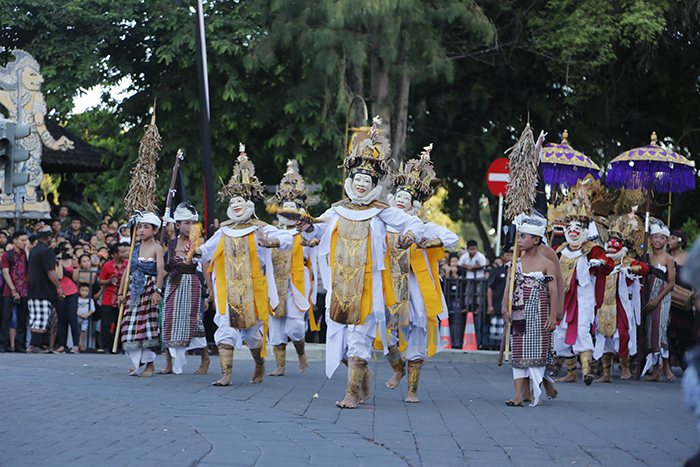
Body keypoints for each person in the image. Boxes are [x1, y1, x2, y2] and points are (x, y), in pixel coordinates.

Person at [297, 118, 424, 409]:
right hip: (340, 287)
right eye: (358, 179)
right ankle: (362, 373)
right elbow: (319, 229)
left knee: (358, 341)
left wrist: (411, 235)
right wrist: (307, 226)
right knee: (340, 346)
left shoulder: (381, 211)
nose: (362, 183)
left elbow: (411, 223)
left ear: (375, 185)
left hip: (369, 287)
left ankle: (352, 394)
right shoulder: (337, 210)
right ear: (350, 182)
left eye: (368, 180)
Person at [195, 145, 293, 387]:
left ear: (249, 204)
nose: (237, 204)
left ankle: (259, 364)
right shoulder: (225, 230)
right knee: (225, 331)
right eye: (234, 201)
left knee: (252, 335)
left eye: (241, 200)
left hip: (252, 289)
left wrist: (268, 241)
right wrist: (195, 252)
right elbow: (207, 249)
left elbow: (288, 239)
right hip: (227, 289)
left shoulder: (260, 227)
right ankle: (226, 374)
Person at [382, 143, 458, 403]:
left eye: (407, 198)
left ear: (414, 204)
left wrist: (430, 242)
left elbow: (453, 237)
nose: (402, 201)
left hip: (415, 288)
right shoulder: (381, 223)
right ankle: (398, 370)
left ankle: (412, 390)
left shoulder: (422, 226)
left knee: (417, 330)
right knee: (384, 332)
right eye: (399, 197)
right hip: (388, 284)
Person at [553, 188, 614, 385]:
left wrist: (600, 263)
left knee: (582, 329)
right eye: (570, 227)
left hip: (583, 295)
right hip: (563, 298)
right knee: (560, 332)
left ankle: (587, 371)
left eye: (578, 227)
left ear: (585, 230)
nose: (573, 230)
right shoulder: (559, 250)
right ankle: (571, 373)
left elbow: (609, 264)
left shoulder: (592, 249)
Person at [266, 164, 319, 377]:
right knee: (276, 325)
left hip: (297, 282)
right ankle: (280, 366)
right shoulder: (271, 231)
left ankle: (301, 353)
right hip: (275, 282)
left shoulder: (306, 233)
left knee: (295, 327)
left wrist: (313, 295)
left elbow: (314, 264)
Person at [502, 215, 557, 407]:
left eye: (524, 236)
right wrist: (504, 310)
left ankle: (536, 393)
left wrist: (552, 315)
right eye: (519, 236)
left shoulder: (547, 263)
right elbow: (508, 289)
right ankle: (518, 395)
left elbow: (553, 291)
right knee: (517, 350)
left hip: (540, 311)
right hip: (518, 310)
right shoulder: (514, 263)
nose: (520, 240)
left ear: (536, 239)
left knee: (537, 350)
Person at [593, 215, 649, 382]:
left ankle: (625, 369)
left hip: (621, 307)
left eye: (615, 246)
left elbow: (645, 269)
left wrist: (633, 270)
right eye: (609, 246)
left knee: (622, 335)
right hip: (603, 306)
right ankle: (607, 374)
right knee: (603, 337)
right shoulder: (602, 262)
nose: (611, 248)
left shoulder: (627, 262)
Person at [157, 202, 210, 375]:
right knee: (167, 321)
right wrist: (156, 287)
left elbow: (206, 267)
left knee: (194, 322)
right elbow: (165, 268)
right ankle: (169, 363)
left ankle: (205, 359)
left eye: (192, 223)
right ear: (178, 225)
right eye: (186, 223)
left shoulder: (199, 243)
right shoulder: (171, 244)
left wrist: (210, 291)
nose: (190, 226)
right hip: (173, 284)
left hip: (192, 284)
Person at [118, 212, 164, 377]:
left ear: (155, 229)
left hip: (149, 291)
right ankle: (137, 362)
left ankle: (150, 365)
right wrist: (120, 292)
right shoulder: (134, 248)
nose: (142, 230)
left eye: (146, 227)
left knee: (148, 328)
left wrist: (157, 292)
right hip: (133, 293)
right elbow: (127, 272)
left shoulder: (157, 248)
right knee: (130, 326)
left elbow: (160, 272)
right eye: (140, 227)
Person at [641, 221, 676, 381]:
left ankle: (666, 367)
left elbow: (671, 283)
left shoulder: (668, 258)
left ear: (666, 240)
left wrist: (657, 299)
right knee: (650, 331)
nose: (658, 240)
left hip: (661, 298)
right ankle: (655, 371)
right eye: (655, 237)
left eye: (662, 238)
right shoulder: (647, 256)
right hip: (649, 295)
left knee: (660, 330)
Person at [27, 229, 64, 353]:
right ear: (48, 238)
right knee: (41, 317)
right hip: (42, 289)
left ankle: (42, 344)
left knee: (37, 315)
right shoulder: (45, 251)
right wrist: (59, 286)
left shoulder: (34, 250)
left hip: (33, 289)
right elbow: (50, 271)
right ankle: (34, 345)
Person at [0, 231, 29, 353]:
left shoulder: (27, 254)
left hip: (25, 290)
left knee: (23, 319)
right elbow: (5, 273)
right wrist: (13, 289)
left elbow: (31, 266)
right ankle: (3, 344)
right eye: (23, 240)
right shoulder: (8, 255)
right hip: (9, 290)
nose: (25, 243)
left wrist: (27, 251)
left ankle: (20, 344)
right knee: (6, 318)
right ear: (15, 241)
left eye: (26, 240)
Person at [98, 242, 129, 353]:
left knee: (120, 323)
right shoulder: (107, 265)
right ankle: (106, 346)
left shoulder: (127, 264)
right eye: (122, 251)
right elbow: (100, 281)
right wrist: (109, 281)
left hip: (122, 299)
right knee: (106, 323)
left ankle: (120, 346)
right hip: (109, 298)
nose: (125, 253)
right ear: (115, 254)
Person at [54, 241, 79, 353]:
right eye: (67, 250)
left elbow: (75, 278)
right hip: (60, 292)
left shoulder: (73, 261)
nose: (69, 251)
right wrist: (59, 262)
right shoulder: (56, 262)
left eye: (70, 249)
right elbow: (59, 276)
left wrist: (74, 264)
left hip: (72, 291)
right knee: (62, 319)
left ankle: (76, 346)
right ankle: (62, 345)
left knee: (72, 318)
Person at [487, 247, 513, 347]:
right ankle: (495, 348)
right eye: (508, 255)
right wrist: (490, 305)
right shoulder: (496, 271)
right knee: (496, 337)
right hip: (498, 305)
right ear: (502, 257)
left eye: (512, 255)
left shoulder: (518, 270)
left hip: (513, 306)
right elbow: (490, 288)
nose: (510, 257)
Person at [75, 283, 95, 351]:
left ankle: (82, 343)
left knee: (84, 330)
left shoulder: (90, 300)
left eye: (86, 291)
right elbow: (74, 308)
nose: (84, 292)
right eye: (83, 290)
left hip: (85, 318)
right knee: (77, 331)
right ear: (79, 291)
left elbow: (92, 309)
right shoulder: (77, 299)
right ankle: (76, 344)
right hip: (77, 317)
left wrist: (87, 315)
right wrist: (79, 314)